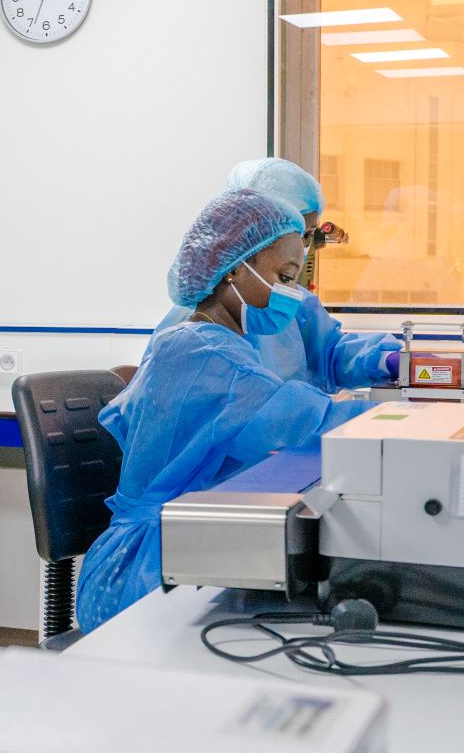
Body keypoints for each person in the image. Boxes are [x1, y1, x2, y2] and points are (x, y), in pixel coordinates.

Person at [78, 190, 373, 632]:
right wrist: (407, 424)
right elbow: (303, 423)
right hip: (145, 574)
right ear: (235, 266)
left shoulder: (225, 343)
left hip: (184, 548)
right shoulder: (203, 353)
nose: (293, 294)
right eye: (285, 276)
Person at [159, 159, 399, 393]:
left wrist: (384, 360)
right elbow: (271, 414)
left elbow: (326, 353)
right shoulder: (194, 333)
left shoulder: (289, 301)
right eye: (294, 233)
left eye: (308, 235)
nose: (302, 247)